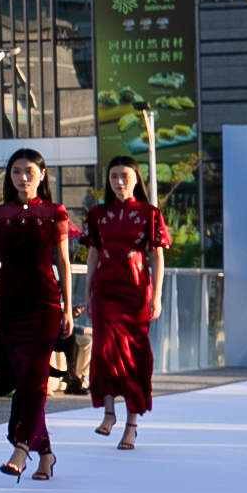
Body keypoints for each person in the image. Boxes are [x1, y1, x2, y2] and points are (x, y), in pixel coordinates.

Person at [0, 147, 76, 482]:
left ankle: (21, 448)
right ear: (10, 176)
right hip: (8, 306)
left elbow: (63, 263)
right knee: (26, 381)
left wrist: (68, 307)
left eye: (29, 171)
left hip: (45, 304)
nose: (23, 177)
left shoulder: (55, 213)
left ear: (42, 174)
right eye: (17, 171)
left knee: (35, 379)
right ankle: (47, 454)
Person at [83, 156, 170, 452]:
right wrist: (87, 291)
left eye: (125, 176)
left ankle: (131, 425)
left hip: (135, 291)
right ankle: (109, 413)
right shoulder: (97, 213)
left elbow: (157, 256)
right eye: (113, 177)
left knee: (134, 357)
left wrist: (156, 296)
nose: (119, 182)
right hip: (104, 289)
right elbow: (93, 253)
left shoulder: (150, 213)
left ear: (136, 179)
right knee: (103, 350)